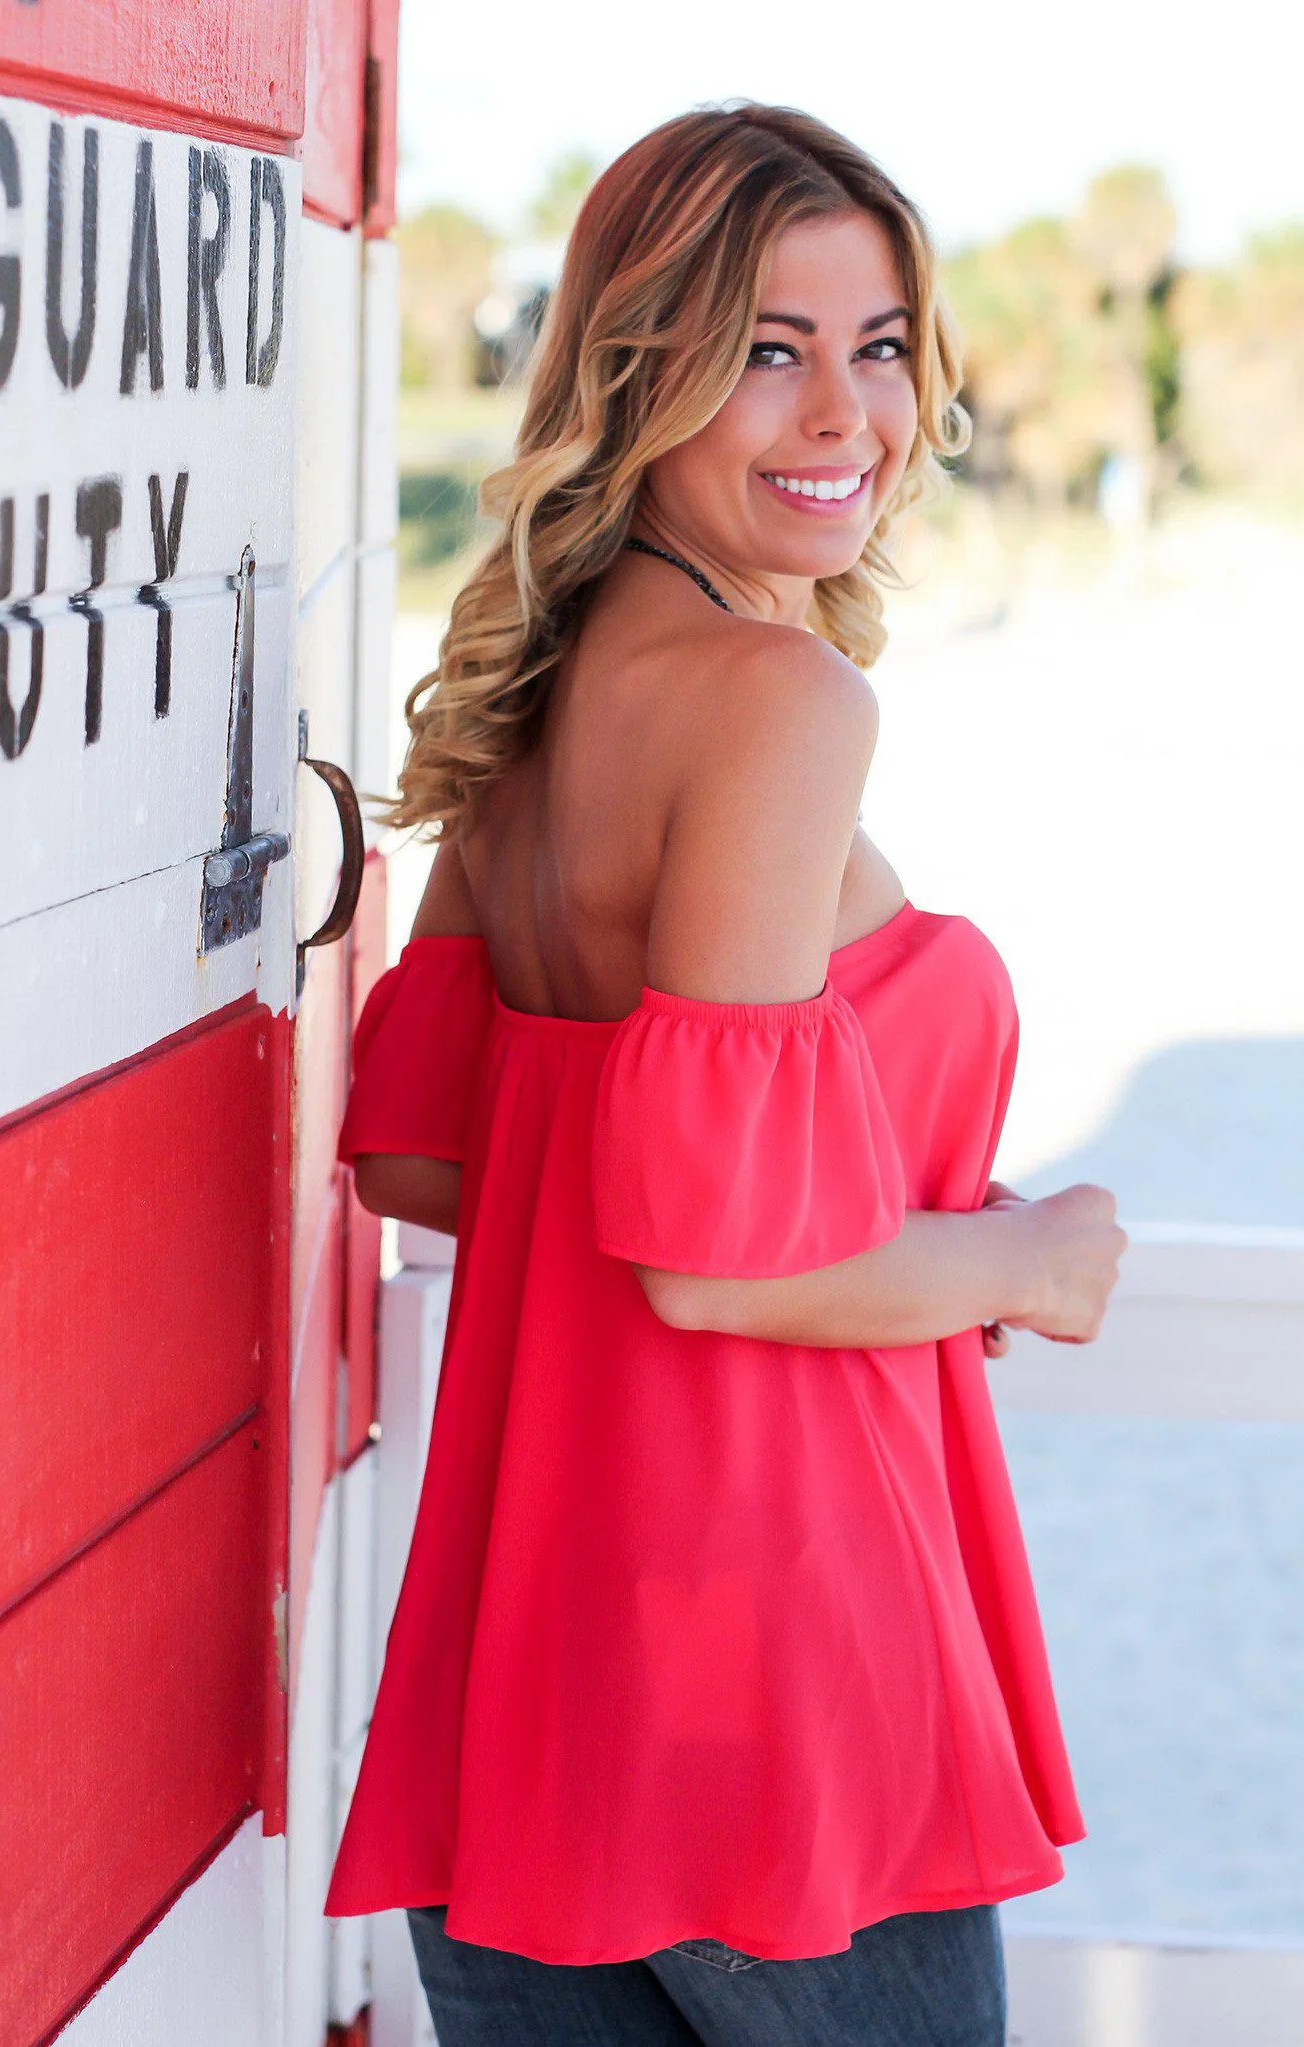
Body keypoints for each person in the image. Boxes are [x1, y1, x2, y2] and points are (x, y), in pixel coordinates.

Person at [324, 103, 1126, 2045]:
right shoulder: (777, 701)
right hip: (772, 1676)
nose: (842, 413)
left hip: (538, 1674)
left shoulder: (543, 686)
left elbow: (430, 1160)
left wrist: (823, 1185)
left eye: (876, 347)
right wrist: (1025, 1259)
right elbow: (713, 1267)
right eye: (769, 350)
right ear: (638, 365)